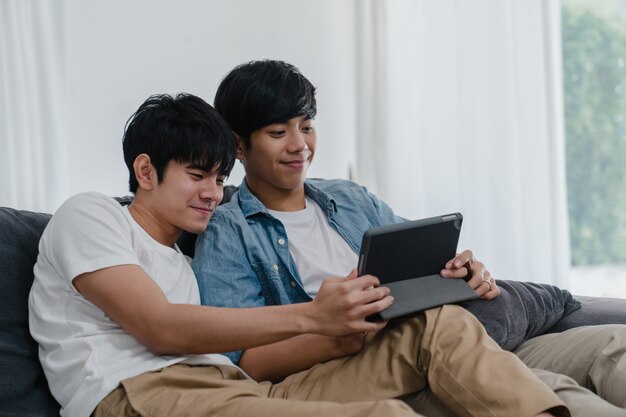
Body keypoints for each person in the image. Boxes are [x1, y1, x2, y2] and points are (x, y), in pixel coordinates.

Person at [28, 93, 564, 417]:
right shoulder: (91, 215)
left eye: (219, 177)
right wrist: (314, 315)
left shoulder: (187, 261)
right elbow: (160, 328)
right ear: (145, 172)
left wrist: (344, 324)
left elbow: (240, 358)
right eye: (197, 176)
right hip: (140, 396)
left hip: (240, 389)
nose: (214, 193)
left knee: (435, 326)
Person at [192, 59, 626, 417]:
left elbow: (424, 262)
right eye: (277, 132)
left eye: (306, 126)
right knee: (458, 337)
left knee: (608, 347)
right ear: (239, 146)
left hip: (445, 346)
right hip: (344, 368)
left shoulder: (350, 198)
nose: (299, 145)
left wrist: (461, 271)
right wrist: (336, 334)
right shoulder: (228, 233)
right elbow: (242, 363)